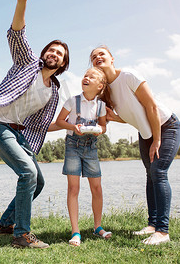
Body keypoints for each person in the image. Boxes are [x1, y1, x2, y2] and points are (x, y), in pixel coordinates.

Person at [0, 0, 69, 249]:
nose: (54, 54)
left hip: (17, 133)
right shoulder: (26, 64)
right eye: (51, 50)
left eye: (60, 54)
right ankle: (22, 235)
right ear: (43, 53)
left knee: (37, 181)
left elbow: (40, 125)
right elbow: (16, 33)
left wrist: (66, 126)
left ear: (63, 64)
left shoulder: (53, 90)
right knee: (27, 174)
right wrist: (22, 2)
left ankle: (6, 224)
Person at [90, 45, 180, 245]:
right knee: (150, 175)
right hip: (145, 132)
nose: (98, 57)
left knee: (158, 172)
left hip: (166, 126)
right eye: (93, 56)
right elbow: (132, 113)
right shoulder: (106, 91)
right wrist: (114, 118)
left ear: (112, 58)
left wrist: (157, 139)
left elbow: (151, 106)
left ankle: (163, 232)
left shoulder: (128, 75)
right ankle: (152, 225)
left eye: (101, 54)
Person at [52, 67, 111, 246]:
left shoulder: (100, 106)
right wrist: (73, 127)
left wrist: (99, 131)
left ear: (100, 86)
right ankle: (75, 232)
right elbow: (60, 121)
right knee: (73, 189)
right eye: (85, 75)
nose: (86, 78)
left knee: (97, 188)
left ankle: (98, 227)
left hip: (91, 148)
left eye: (91, 77)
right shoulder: (72, 101)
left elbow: (103, 127)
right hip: (73, 147)